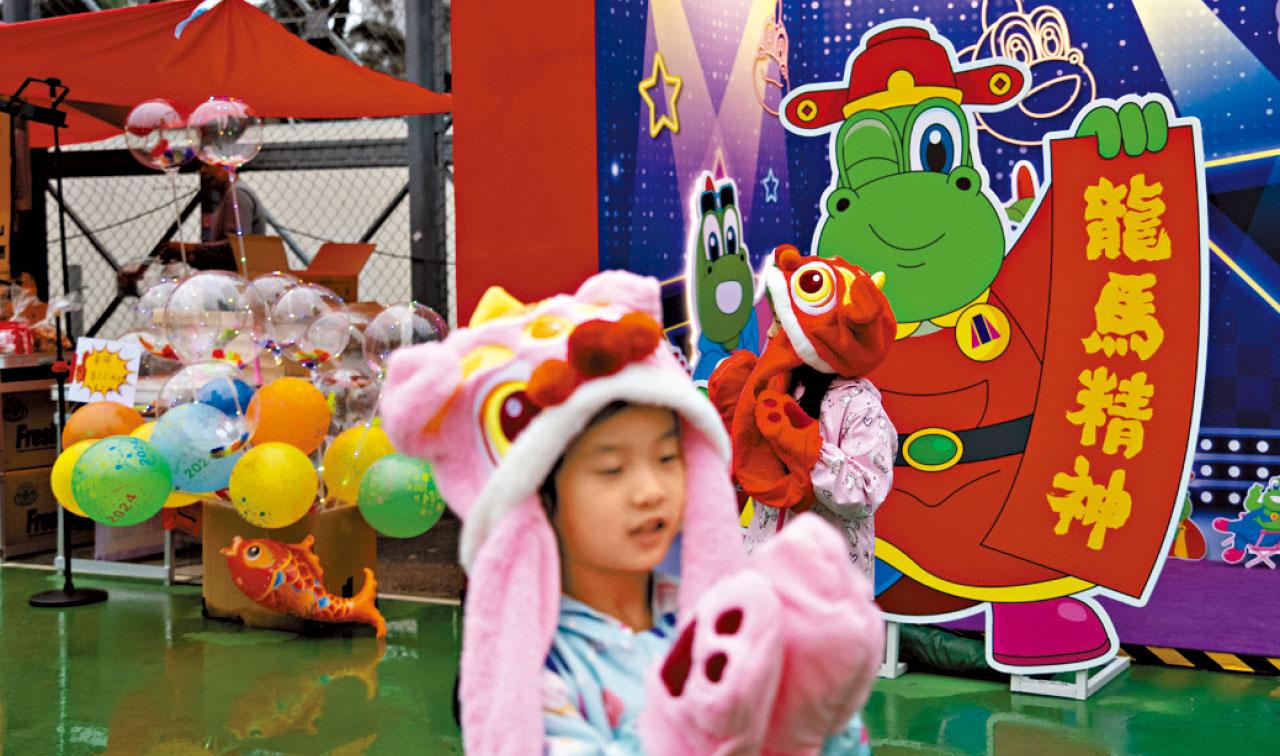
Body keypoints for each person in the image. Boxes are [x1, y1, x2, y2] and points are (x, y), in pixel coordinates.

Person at [379, 270, 883, 753]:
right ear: (538, 493)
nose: (650, 491)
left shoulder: (699, 611)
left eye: (667, 458)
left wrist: (817, 712)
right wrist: (713, 716)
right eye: (612, 469)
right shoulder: (541, 675)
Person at [709, 245, 898, 584]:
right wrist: (735, 423)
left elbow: (864, 494)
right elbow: (751, 479)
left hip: (825, 589)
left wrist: (806, 449)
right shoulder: (779, 388)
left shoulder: (860, 406)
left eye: (780, 323)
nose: (770, 334)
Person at [201, 163, 266, 242]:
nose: (202, 170)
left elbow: (238, 243)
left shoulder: (237, 194)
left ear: (225, 166)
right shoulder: (233, 193)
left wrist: (197, 247)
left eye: (207, 165)